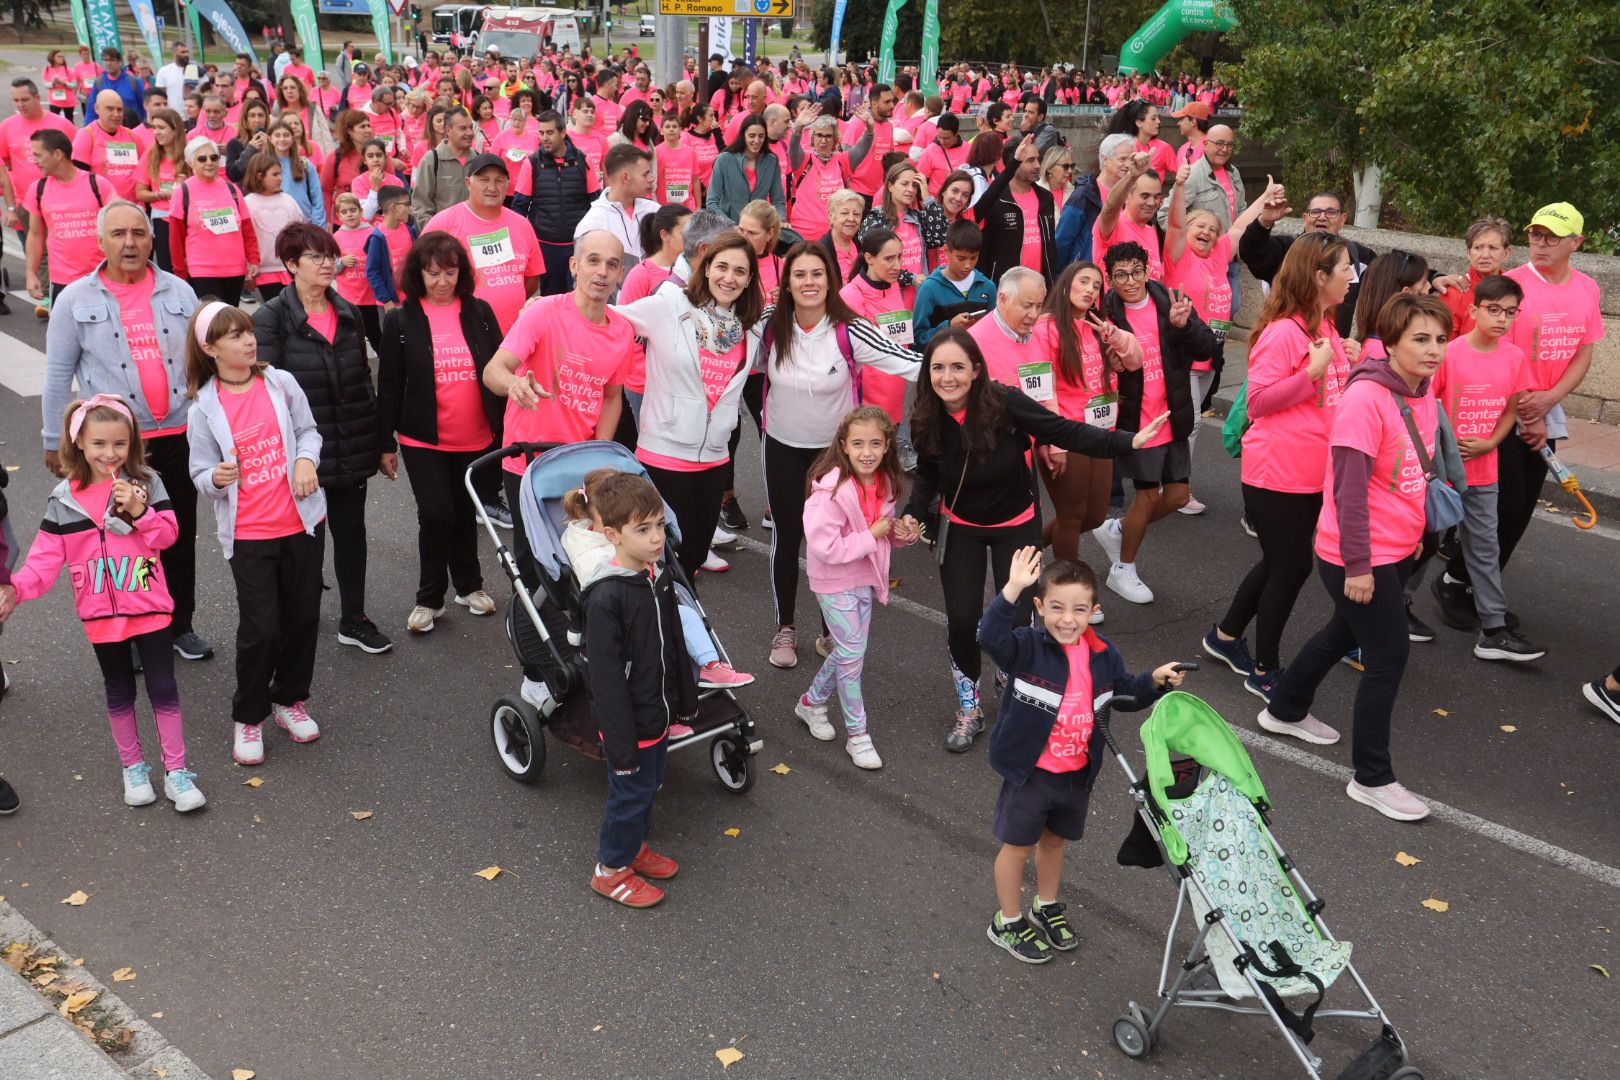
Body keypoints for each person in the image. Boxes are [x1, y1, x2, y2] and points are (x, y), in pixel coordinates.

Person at [900, 328, 1166, 751]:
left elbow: (1063, 430)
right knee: (965, 620)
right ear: (927, 372)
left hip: (1016, 524)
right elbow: (929, 476)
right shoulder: (925, 418)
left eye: (957, 367)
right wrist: (914, 514)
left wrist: (1125, 441)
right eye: (938, 368)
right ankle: (969, 708)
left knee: (1020, 617)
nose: (947, 377)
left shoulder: (1003, 403)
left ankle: (1013, 681)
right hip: (962, 527)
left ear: (975, 370)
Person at [1261, 293, 1452, 823]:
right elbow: (1347, 492)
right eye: (1419, 339)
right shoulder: (1366, 399)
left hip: (1395, 545)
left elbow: (1410, 471)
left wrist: (1414, 531)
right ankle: (1372, 777)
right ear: (1389, 343)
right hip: (1354, 552)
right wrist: (1361, 566)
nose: (1433, 350)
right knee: (1387, 655)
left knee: (1341, 634)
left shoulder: (1423, 391)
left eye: (1439, 338)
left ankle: (1284, 707)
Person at [1, 395, 204, 811]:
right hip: (100, 617)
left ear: (133, 445)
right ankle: (133, 768)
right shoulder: (64, 500)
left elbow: (168, 537)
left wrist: (139, 511)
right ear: (78, 445)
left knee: (164, 689)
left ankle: (177, 773)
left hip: (150, 609)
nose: (110, 454)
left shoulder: (147, 483)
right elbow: (43, 559)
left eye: (120, 444)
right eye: (98, 444)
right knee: (119, 691)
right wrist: (15, 590)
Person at [980, 548, 1183, 963]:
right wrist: (1012, 588)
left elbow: (1123, 693)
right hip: (1030, 774)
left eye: (1078, 609)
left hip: (1076, 775)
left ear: (1094, 610)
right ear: (1038, 607)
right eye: (1055, 607)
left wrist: (1154, 681)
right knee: (1017, 846)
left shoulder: (1103, 655)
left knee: (1054, 843)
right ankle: (1008, 919)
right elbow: (988, 636)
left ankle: (1047, 905)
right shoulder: (1026, 647)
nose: (1067, 619)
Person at [1203, 233, 1357, 701]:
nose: (1352, 275)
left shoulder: (1324, 326)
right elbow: (1262, 401)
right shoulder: (1284, 332)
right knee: (1291, 568)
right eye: (1345, 267)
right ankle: (1265, 669)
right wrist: (1310, 373)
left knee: (1279, 563)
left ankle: (1225, 637)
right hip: (1277, 474)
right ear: (1319, 276)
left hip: (1312, 471)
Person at [1435, 203, 1603, 631]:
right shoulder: (1510, 286)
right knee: (1501, 507)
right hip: (1502, 410)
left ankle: (1473, 585)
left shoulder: (1587, 288)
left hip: (1545, 407)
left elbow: (1584, 350)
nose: (1541, 243)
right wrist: (1531, 410)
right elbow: (1498, 352)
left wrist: (1550, 401)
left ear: (1576, 243)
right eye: (1535, 235)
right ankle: (1454, 579)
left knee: (1522, 509)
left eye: (1552, 236)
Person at [757, 241, 921, 670]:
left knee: (834, 540)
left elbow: (908, 362)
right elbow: (723, 348)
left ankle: (831, 628)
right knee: (788, 535)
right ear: (787, 283)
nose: (809, 282)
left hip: (834, 457)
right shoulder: (769, 327)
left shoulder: (851, 329)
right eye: (799, 274)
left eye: (817, 274)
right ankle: (785, 626)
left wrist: (966, 369)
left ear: (831, 280)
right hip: (781, 447)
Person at [185, 301, 325, 767]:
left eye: (248, 330)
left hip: (301, 523)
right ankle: (250, 716)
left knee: (303, 618)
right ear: (210, 349)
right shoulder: (203, 409)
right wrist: (216, 479)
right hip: (249, 535)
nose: (249, 339)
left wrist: (306, 460)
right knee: (261, 629)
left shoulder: (281, 383)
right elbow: (199, 473)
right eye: (234, 335)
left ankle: (290, 700)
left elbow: (309, 432)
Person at [253, 222, 392, 655]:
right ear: (291, 265)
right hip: (300, 458)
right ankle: (298, 620)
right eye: (315, 257)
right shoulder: (270, 320)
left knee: (352, 534)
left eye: (330, 255)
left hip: (350, 445)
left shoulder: (348, 312)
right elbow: (266, 398)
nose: (328, 263)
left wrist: (383, 443)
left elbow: (366, 384)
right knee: (301, 545)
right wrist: (287, 458)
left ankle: (354, 618)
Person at [482, 230, 633, 591]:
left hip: (579, 464)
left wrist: (600, 454)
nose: (602, 272)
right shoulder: (544, 313)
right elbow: (493, 370)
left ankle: (572, 633)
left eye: (612, 264)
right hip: (528, 462)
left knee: (581, 555)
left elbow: (612, 397)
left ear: (620, 274)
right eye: (593, 260)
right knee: (533, 560)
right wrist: (514, 385)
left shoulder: (622, 331)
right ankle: (532, 635)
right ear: (574, 265)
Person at [611, 232, 766, 579]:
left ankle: (680, 625)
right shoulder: (670, 306)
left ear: (750, 279)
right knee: (667, 560)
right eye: (722, 266)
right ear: (706, 267)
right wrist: (546, 307)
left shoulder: (751, 326)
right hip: (665, 453)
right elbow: (607, 318)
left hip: (714, 458)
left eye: (740, 271)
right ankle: (667, 628)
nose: (730, 277)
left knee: (694, 555)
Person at [377, 231, 503, 635]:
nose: (442, 282)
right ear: (418, 274)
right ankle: (429, 598)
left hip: (477, 436)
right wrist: (385, 444)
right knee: (436, 514)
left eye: (450, 272)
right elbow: (390, 387)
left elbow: (500, 373)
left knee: (466, 513)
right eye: (433, 274)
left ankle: (469, 586)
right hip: (422, 438)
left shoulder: (481, 312)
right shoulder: (400, 319)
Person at [583, 472, 695, 910]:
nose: (656, 538)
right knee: (629, 792)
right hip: (629, 722)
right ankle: (610, 870)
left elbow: (674, 640)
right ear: (612, 535)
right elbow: (606, 680)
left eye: (660, 526)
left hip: (658, 711)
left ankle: (632, 847)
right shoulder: (606, 597)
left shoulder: (657, 575)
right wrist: (621, 745)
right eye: (643, 529)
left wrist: (684, 700)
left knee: (651, 785)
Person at [1092, 242, 1220, 605]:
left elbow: (1207, 347)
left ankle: (1119, 527)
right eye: (1120, 275)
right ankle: (1123, 569)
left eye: (1136, 271)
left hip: (1173, 414)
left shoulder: (1169, 301)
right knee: (1147, 497)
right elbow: (1097, 362)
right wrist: (1110, 364)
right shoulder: (1106, 312)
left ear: (1148, 272)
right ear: (1111, 279)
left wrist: (1184, 327)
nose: (1130, 280)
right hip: (1139, 420)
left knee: (1178, 495)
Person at [1430, 273, 1543, 663]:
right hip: (1442, 472)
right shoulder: (1450, 353)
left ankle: (1493, 630)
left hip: (1484, 470)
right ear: (1474, 310)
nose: (1501, 319)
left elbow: (1511, 409)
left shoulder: (1514, 357)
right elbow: (1428, 409)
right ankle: (1396, 606)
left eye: (1510, 313)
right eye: (1493, 310)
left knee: (1485, 547)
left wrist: (1492, 443)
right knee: (1422, 540)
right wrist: (1438, 459)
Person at [797, 406, 918, 769]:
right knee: (852, 657)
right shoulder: (830, 491)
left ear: (887, 447)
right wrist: (873, 535)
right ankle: (858, 735)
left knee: (850, 652)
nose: (867, 452)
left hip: (865, 579)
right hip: (834, 584)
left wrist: (901, 534)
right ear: (844, 446)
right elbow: (826, 548)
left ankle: (811, 703)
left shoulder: (885, 484)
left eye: (876, 444)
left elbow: (883, 534)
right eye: (859, 444)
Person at [561, 469, 752, 697]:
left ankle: (708, 666)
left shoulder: (615, 533)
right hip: (624, 614)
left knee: (686, 614)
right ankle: (701, 672)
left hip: (644, 599)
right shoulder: (588, 552)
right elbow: (604, 588)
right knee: (679, 622)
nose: (655, 535)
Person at [1162, 164, 1276, 514]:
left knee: (1178, 421)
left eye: (1213, 230)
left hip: (1211, 357)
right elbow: (1177, 222)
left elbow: (1241, 226)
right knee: (1192, 422)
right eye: (1201, 226)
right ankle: (1178, 489)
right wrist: (1179, 187)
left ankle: (1160, 476)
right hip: (1183, 356)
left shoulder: (1215, 259)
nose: (1207, 233)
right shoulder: (1176, 257)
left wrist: (1264, 201)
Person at [1029, 261, 1144, 565]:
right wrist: (1053, 442)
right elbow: (1043, 389)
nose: (1091, 290)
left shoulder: (1097, 325)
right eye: (1084, 282)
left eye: (1096, 286)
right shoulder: (1046, 327)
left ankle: (1027, 548)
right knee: (1072, 513)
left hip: (1101, 431)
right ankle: (1067, 584)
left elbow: (1135, 360)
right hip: (1067, 432)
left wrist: (1114, 336)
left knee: (1093, 517)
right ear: (1066, 285)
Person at [428, 153, 544, 333]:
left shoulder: (522, 225)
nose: (492, 187)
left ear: (508, 184)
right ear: (468, 183)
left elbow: (531, 279)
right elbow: (420, 276)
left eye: (499, 180)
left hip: (512, 336)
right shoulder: (443, 224)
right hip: (461, 334)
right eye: (484, 179)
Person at [1239, 189, 1375, 337]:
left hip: (1332, 348)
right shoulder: (1285, 250)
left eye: (1330, 212)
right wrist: (1263, 222)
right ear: (1305, 218)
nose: (1322, 217)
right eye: (1315, 212)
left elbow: (1382, 295)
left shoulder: (1359, 257)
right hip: (1287, 344)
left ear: (1343, 219)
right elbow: (1250, 252)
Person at [511, 109, 598, 297]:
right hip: (546, 247)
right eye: (541, 133)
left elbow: (597, 204)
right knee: (551, 299)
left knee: (581, 298)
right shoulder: (532, 163)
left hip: (578, 245)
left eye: (549, 133)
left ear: (562, 132)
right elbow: (519, 207)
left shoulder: (583, 161)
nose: (544, 138)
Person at [24, 128, 112, 304]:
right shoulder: (37, 189)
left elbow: (121, 224)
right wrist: (30, 273)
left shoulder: (97, 184)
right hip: (62, 282)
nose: (35, 161)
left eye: (39, 155)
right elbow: (35, 235)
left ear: (57, 154)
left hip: (102, 278)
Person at [168, 136, 257, 304]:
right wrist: (180, 272)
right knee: (215, 320)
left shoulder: (232, 189)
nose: (209, 162)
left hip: (234, 269)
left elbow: (247, 229)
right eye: (202, 158)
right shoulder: (183, 191)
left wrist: (253, 259)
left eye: (214, 157)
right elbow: (175, 237)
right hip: (202, 270)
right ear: (191, 162)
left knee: (230, 321)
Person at [974, 134, 1053, 283]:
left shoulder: (1046, 198)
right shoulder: (996, 200)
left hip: (1040, 287)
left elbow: (1050, 247)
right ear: (1013, 163)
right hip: (1005, 288)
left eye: (1038, 159)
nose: (1037, 165)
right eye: (1030, 160)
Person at [912, 218, 996, 349]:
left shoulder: (988, 287)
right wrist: (949, 326)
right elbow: (918, 338)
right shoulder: (929, 288)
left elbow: (994, 332)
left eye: (974, 258)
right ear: (946, 251)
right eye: (961, 258)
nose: (967, 265)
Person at [1054, 134, 1133, 267]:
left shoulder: (1132, 193)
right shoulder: (1083, 195)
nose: (1128, 164)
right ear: (1105, 160)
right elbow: (1062, 241)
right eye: (1122, 159)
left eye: (1131, 159)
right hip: (1088, 273)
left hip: (1122, 272)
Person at [573, 143, 658, 265]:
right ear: (625, 178)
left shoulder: (655, 211)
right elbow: (583, 277)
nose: (651, 179)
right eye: (645, 174)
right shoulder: (592, 224)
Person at [787, 111, 864, 243]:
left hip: (835, 236)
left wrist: (869, 130)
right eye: (819, 136)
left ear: (835, 140)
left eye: (828, 136)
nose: (823, 141)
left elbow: (862, 148)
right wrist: (798, 128)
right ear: (812, 138)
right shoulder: (803, 160)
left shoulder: (843, 161)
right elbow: (793, 148)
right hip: (805, 235)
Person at [1094, 152, 1165, 283]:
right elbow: (1110, 207)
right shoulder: (1114, 225)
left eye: (1156, 197)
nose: (1151, 202)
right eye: (1145, 196)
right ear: (1127, 196)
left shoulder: (1152, 232)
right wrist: (1131, 176)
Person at [705, 114, 785, 224]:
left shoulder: (771, 161)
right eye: (752, 136)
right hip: (729, 233)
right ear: (743, 136)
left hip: (759, 230)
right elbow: (712, 202)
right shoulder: (724, 160)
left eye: (761, 136)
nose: (757, 140)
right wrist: (731, 226)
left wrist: (780, 221)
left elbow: (778, 201)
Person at [410, 106, 476, 231]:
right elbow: (420, 205)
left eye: (471, 127)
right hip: (443, 240)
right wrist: (435, 237)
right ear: (448, 130)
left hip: (475, 237)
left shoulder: (477, 159)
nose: (469, 133)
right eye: (463, 128)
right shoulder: (432, 159)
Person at [72, 90, 142, 201]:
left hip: (133, 206)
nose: (116, 114)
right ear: (97, 108)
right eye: (110, 109)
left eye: (120, 110)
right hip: (103, 207)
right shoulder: (86, 135)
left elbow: (144, 171)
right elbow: (78, 177)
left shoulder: (131, 135)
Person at [364, 186, 416, 310]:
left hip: (412, 299)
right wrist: (386, 300)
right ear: (393, 207)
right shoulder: (377, 237)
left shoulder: (409, 230)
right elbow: (372, 272)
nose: (409, 208)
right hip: (391, 303)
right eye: (406, 204)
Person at [1106, 99, 1173, 181]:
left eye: (1158, 118)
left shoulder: (1164, 147)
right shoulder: (1124, 147)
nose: (1158, 122)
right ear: (1139, 123)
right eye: (1153, 118)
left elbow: (1180, 173)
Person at [817, 188, 864, 284]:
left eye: (856, 214)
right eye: (844, 213)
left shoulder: (860, 246)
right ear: (831, 216)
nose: (851, 218)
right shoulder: (820, 251)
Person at [1170, 100, 1210, 167]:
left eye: (1182, 119)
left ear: (1193, 121)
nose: (1178, 123)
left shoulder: (1211, 147)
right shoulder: (1182, 149)